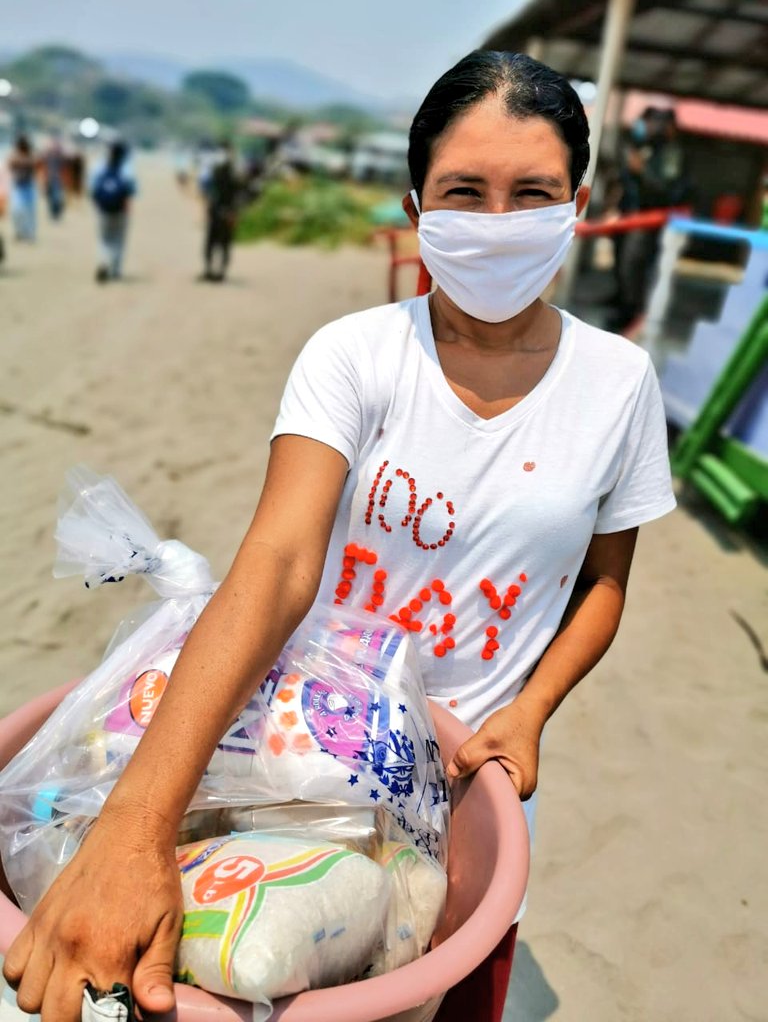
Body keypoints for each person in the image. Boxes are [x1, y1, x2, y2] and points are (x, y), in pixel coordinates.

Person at [3, 51, 676, 1022]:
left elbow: (605, 583)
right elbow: (278, 564)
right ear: (416, 209)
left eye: (530, 193)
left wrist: (531, 712)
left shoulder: (619, 383)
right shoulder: (355, 355)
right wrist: (134, 827)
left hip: (470, 777)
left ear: (577, 205)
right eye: (464, 192)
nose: (497, 222)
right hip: (303, 752)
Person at [609, 106, 690, 332]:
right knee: (622, 262)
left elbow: (665, 190)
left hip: (648, 219)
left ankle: (630, 315)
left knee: (633, 266)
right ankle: (621, 304)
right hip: (628, 215)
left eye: (655, 123)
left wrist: (641, 171)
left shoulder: (672, 154)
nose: (651, 128)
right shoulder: (645, 148)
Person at [89, 140, 136, 283]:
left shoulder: (99, 167)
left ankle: (103, 261)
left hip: (103, 209)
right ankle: (115, 269)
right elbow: (133, 190)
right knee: (119, 240)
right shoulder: (127, 169)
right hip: (121, 210)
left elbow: (92, 188)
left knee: (104, 240)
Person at [199, 140, 242, 281]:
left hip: (226, 211)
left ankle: (219, 272)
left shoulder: (234, 172)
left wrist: (234, 212)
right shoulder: (215, 171)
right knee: (213, 242)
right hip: (217, 211)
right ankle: (210, 270)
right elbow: (207, 191)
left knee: (223, 243)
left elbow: (239, 194)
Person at [8, 136, 38, 242]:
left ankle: (30, 234)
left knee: (29, 213)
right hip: (18, 187)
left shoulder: (30, 156)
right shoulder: (15, 155)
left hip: (28, 187)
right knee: (16, 211)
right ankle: (19, 232)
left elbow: (35, 164)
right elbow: (10, 164)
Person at [41, 136, 66, 221]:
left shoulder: (60, 157)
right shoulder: (49, 157)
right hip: (51, 179)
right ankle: (53, 214)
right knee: (51, 197)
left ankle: (56, 214)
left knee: (56, 197)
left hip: (57, 179)